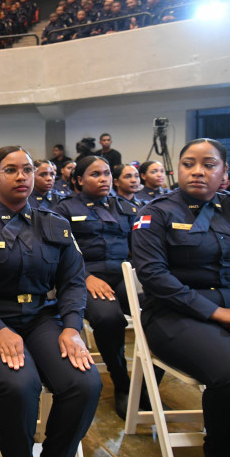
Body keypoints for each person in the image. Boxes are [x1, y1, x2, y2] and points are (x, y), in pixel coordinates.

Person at [0, 145, 101, 457]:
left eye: (28, 169)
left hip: (40, 317)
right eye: (10, 170)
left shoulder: (55, 224)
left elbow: (73, 282)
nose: (21, 176)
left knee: (85, 384)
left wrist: (72, 328)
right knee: (20, 386)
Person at [131, 138, 230, 457]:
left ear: (225, 173)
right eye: (188, 164)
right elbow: (154, 276)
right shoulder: (156, 213)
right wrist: (218, 313)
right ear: (178, 169)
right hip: (174, 315)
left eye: (209, 165)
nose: (198, 171)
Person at [54, 156, 140, 419]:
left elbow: (139, 248)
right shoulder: (65, 209)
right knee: (108, 318)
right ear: (79, 180)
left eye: (107, 173)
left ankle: (147, 384)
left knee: (161, 309)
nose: (104, 179)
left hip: (125, 275)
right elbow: (60, 253)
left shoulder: (127, 207)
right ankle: (121, 381)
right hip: (85, 276)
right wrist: (86, 276)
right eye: (95, 174)